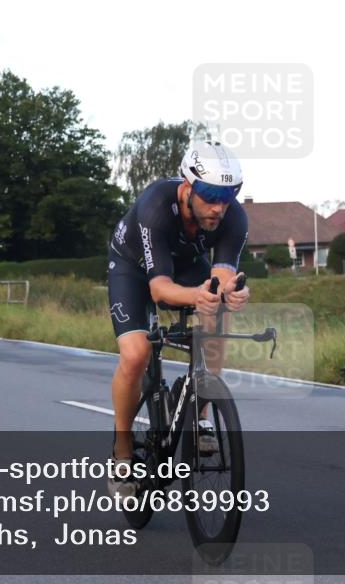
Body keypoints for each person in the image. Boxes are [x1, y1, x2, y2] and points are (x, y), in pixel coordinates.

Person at [105, 140, 250, 497]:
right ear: (188, 187)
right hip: (134, 269)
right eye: (211, 196)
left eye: (228, 197)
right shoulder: (156, 205)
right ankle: (122, 453)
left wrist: (232, 292)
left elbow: (221, 275)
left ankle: (201, 419)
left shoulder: (234, 217)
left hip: (184, 266)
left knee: (218, 309)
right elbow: (159, 290)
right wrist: (198, 295)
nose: (219, 207)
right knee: (137, 354)